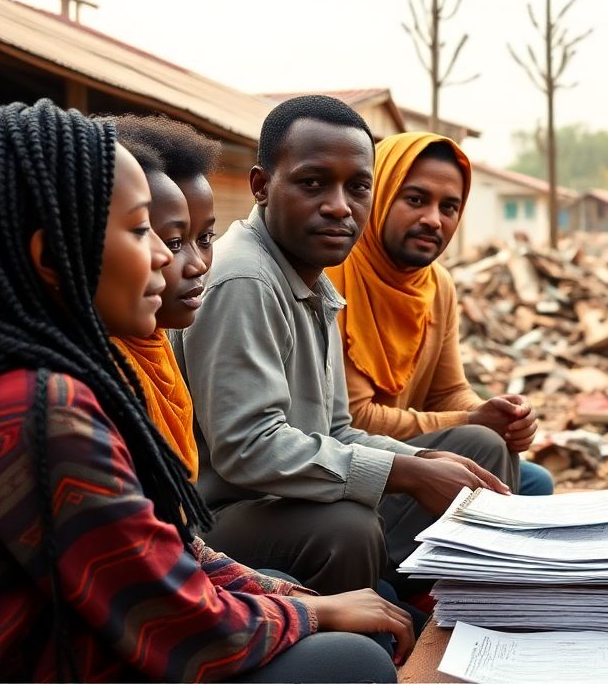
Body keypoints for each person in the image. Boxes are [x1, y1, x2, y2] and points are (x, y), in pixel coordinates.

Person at [0, 99, 410, 682]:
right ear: (51, 258)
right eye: (143, 231)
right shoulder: (41, 409)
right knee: (354, 658)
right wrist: (307, 615)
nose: (169, 257)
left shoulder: (64, 379)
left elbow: (171, 548)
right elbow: (170, 616)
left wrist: (295, 601)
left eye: (193, 237)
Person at [174, 96, 513, 597]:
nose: (339, 206)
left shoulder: (312, 280)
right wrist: (405, 471)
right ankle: (354, 643)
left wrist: (421, 465)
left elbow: (335, 429)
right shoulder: (245, 277)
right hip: (220, 516)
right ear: (262, 186)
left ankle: (441, 605)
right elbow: (249, 449)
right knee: (346, 528)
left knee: (474, 449)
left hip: (289, 494)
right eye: (313, 183)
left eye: (357, 188)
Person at [325, 131, 553, 495]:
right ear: (378, 195)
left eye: (448, 207)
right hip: (360, 464)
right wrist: (472, 420)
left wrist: (500, 416)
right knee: (486, 445)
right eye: (415, 199)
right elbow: (356, 420)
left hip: (417, 448)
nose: (433, 219)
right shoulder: (333, 276)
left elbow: (447, 391)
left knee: (536, 480)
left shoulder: (436, 285)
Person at [108, 114, 220, 481]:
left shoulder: (155, 343)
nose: (197, 265)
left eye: (205, 239)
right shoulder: (91, 383)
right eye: (173, 241)